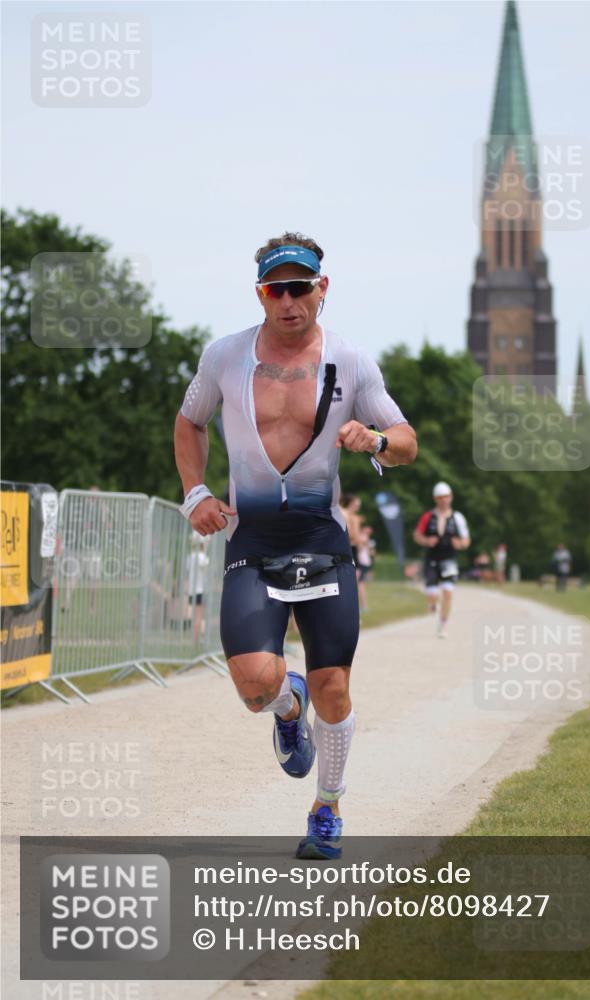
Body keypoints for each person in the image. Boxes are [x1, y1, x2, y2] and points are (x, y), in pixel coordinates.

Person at [173, 232, 417, 859]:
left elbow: (406, 438)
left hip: (320, 537)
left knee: (335, 684)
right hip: (252, 534)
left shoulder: (351, 361)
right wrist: (196, 492)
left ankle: (327, 808)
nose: (287, 300)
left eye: (299, 287)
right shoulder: (224, 357)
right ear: (260, 294)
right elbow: (189, 420)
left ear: (321, 289)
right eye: (274, 288)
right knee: (254, 683)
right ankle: (288, 704)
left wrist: (377, 442)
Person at [413, 482, 470, 637]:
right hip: (431, 559)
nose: (443, 500)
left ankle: (443, 625)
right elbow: (417, 535)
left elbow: (466, 540)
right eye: (440, 497)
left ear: (450, 497)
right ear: (435, 499)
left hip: (449, 559)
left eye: (446, 497)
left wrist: (460, 543)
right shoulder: (428, 516)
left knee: (448, 592)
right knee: (432, 595)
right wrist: (426, 541)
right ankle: (433, 604)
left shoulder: (457, 517)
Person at [187, 534, 210, 643]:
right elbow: (206, 569)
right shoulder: (202, 557)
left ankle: (195, 638)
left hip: (191, 590)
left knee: (194, 616)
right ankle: (196, 640)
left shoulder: (190, 556)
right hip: (199, 590)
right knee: (199, 616)